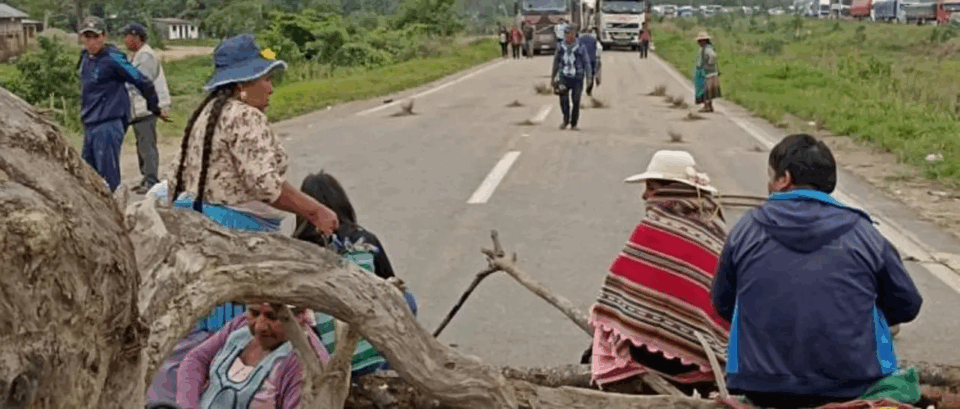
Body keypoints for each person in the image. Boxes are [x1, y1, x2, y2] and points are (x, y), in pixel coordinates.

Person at [143, 34, 339, 406]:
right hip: (238, 234)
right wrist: (315, 211)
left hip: (198, 229)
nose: (270, 87)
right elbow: (265, 186)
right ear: (242, 85)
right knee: (240, 329)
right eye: (264, 78)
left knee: (195, 328)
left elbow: (175, 181)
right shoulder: (246, 116)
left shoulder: (203, 115)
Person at [711, 134, 924, 409]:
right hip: (850, 385)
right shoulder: (865, 233)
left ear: (784, 179)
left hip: (761, 385)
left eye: (771, 176)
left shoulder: (745, 229)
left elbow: (722, 303)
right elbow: (908, 306)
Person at [587, 150, 730, 396]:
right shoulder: (717, 230)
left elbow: (616, 296)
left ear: (668, 190)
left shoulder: (651, 227)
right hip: (704, 356)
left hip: (652, 358)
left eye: (650, 187)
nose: (645, 195)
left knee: (597, 344)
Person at [293, 170, 419, 377]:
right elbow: (389, 284)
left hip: (321, 350)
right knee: (406, 298)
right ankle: (393, 366)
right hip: (372, 344)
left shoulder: (295, 248)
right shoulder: (364, 240)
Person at [176, 303, 331, 408]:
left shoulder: (304, 363)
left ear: (300, 316)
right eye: (254, 313)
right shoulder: (241, 326)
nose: (260, 326)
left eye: (272, 316)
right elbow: (196, 360)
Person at [77, 15, 169, 192]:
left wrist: (154, 107)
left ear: (103, 36)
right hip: (90, 122)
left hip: (108, 122)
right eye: (87, 37)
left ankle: (116, 215)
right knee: (88, 175)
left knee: (108, 178)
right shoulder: (85, 59)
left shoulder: (114, 58)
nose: (91, 42)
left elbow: (143, 81)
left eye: (95, 36)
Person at [121, 23, 172, 195]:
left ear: (136, 37)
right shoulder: (135, 56)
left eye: (127, 36)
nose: (124, 39)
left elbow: (140, 81)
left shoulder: (146, 56)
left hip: (147, 107)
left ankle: (151, 180)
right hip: (138, 108)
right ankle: (146, 178)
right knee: (141, 144)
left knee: (147, 144)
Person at [551, 25, 592, 131]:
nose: (570, 36)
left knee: (576, 100)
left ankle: (574, 123)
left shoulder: (580, 47)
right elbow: (556, 62)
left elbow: (586, 63)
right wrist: (553, 78)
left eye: (572, 34)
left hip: (577, 77)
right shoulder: (560, 47)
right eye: (567, 34)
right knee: (563, 99)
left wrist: (589, 79)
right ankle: (565, 119)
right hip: (564, 76)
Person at [693, 31, 720, 113]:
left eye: (702, 40)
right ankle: (709, 106)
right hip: (711, 72)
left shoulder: (706, 49)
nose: (700, 42)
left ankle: (707, 106)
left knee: (705, 90)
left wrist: (706, 65)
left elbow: (710, 59)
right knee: (709, 91)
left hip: (707, 73)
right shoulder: (707, 48)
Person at [577, 27, 602, 97]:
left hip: (581, 60)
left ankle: (578, 90)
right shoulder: (593, 40)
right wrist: (597, 57)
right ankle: (589, 89)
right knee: (591, 75)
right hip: (591, 60)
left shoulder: (579, 39)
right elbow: (599, 48)